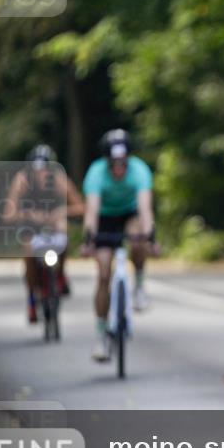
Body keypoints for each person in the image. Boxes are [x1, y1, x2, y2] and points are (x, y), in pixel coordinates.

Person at [80, 129, 158, 362]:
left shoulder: (140, 170)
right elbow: (91, 212)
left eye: (123, 162)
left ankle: (140, 286)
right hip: (104, 217)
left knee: (138, 237)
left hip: (129, 213)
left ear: (128, 159)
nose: (119, 168)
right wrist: (88, 241)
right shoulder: (95, 174)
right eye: (114, 163)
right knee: (103, 273)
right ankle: (102, 335)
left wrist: (151, 238)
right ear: (106, 161)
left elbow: (145, 209)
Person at [3, 145, 85, 323]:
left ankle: (61, 274)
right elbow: (8, 213)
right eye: (36, 171)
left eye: (44, 171)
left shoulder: (59, 180)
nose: (40, 176)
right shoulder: (22, 181)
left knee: (63, 230)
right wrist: (28, 214)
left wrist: (63, 211)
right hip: (30, 225)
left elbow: (80, 207)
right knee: (28, 250)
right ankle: (32, 299)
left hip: (53, 223)